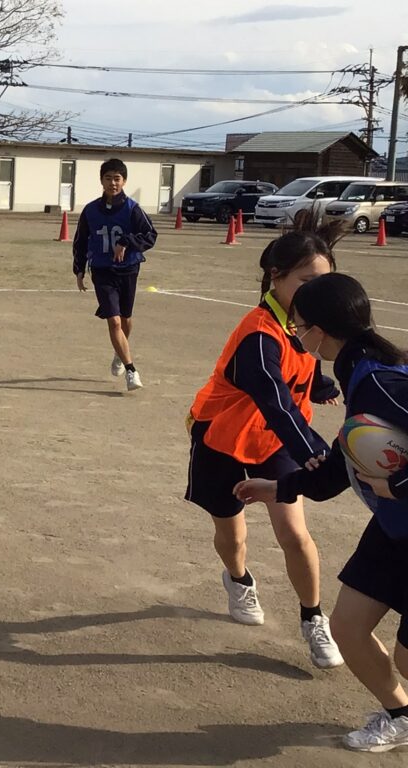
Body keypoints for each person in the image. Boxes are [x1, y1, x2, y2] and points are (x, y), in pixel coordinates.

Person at [235, 273, 408, 752]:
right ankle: (401, 716)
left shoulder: (382, 381)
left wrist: (399, 484)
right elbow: (342, 463)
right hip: (394, 529)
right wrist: (280, 488)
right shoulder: (361, 372)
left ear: (320, 330)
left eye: (298, 327)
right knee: (347, 627)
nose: (296, 336)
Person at [185, 213, 346, 669]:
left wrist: (319, 386)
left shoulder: (307, 321)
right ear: (276, 278)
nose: (317, 292)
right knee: (232, 536)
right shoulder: (258, 334)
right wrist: (317, 456)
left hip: (275, 443)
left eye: (324, 282)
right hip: (222, 438)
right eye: (307, 282)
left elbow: (307, 360)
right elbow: (275, 402)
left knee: (294, 534)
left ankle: (313, 618)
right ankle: (238, 579)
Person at [72, 158, 158, 392]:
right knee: (114, 320)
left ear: (124, 181)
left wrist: (126, 242)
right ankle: (131, 370)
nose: (113, 183)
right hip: (102, 270)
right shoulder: (91, 210)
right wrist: (79, 269)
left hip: (128, 269)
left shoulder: (132, 209)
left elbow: (150, 235)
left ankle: (119, 354)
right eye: (108, 178)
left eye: (117, 178)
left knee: (126, 320)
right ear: (101, 181)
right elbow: (80, 241)